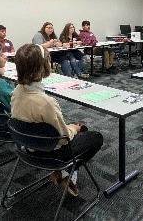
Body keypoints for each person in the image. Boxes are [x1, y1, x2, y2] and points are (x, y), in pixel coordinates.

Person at [11, 44, 103, 196]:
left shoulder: (16, 92)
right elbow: (63, 139)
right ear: (43, 66)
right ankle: (66, 172)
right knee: (96, 137)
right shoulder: (46, 102)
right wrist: (74, 128)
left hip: (27, 148)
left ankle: (62, 172)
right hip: (51, 153)